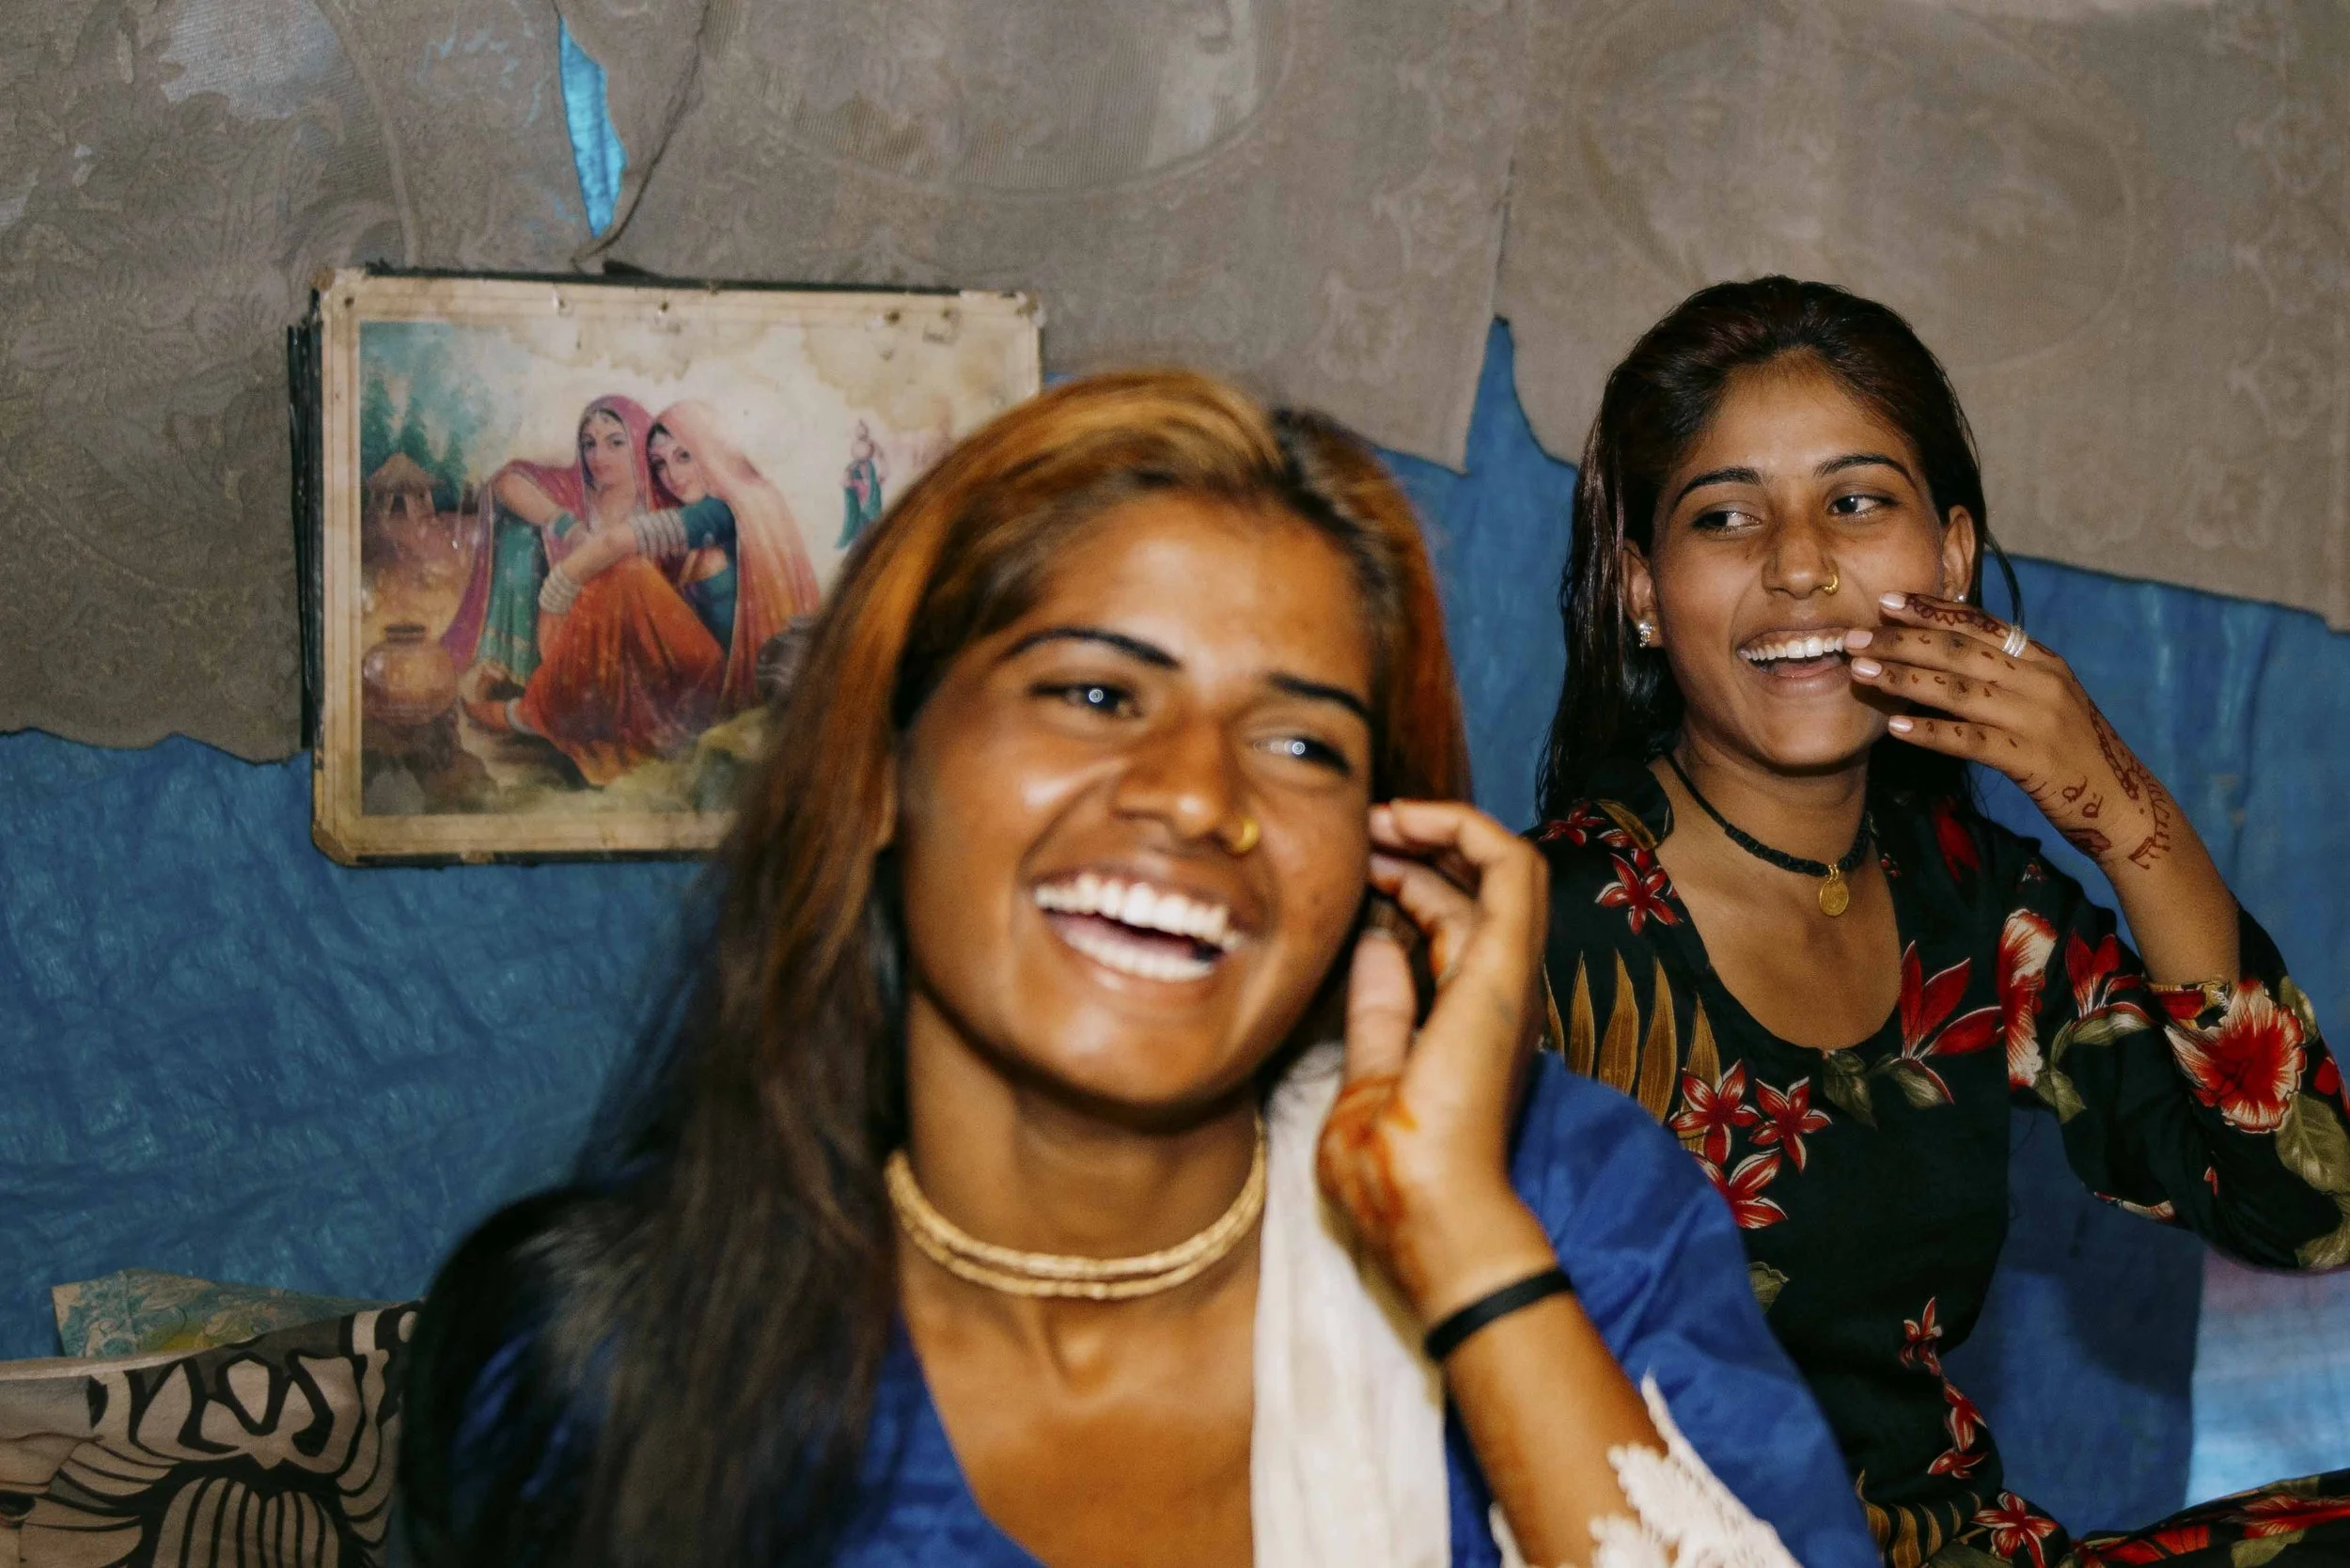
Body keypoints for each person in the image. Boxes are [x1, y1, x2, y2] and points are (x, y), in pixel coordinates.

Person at [400, 370, 1876, 1568]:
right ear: (883, 768)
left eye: (1301, 742)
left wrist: (1464, 1256)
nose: (1195, 794)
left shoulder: (1571, 1218)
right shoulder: (595, 1366)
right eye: (1097, 692)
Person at [1533, 275, 2350, 1568]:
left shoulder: (1969, 902)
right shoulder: (1527, 937)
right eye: (1727, 516)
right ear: (1641, 589)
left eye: (1856, 503)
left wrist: (2117, 807)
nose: (1800, 566)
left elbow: (2302, 1197)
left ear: (1952, 560)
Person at [451, 394, 727, 784]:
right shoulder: (575, 490)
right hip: (575, 638)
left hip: (643, 648)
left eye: (615, 441)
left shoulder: (669, 500)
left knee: (628, 574)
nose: (599, 455)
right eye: (589, 443)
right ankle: (530, 712)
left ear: (638, 443)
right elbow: (506, 482)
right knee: (526, 541)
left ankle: (526, 715)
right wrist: (568, 526)